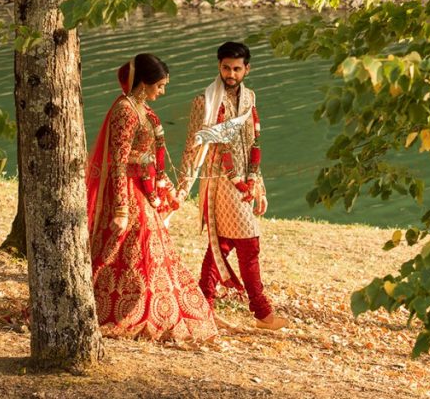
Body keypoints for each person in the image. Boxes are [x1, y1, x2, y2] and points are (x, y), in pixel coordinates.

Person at [85, 53, 217, 342]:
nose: (163, 91)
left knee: (151, 252)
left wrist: (165, 188)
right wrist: (120, 208)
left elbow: (150, 160)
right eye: (160, 85)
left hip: (143, 191)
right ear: (144, 83)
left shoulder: (143, 110)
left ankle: (154, 309)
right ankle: (116, 309)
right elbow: (118, 161)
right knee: (128, 250)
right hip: (128, 193)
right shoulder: (125, 111)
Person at [179, 41, 290, 331]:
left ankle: (207, 306)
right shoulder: (205, 101)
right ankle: (261, 312)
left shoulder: (250, 97)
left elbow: (254, 143)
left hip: (246, 179)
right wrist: (181, 188)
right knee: (244, 244)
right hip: (219, 181)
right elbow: (192, 144)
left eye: (237, 68)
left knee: (225, 244)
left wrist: (259, 184)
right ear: (219, 66)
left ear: (246, 69)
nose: (231, 73)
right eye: (226, 67)